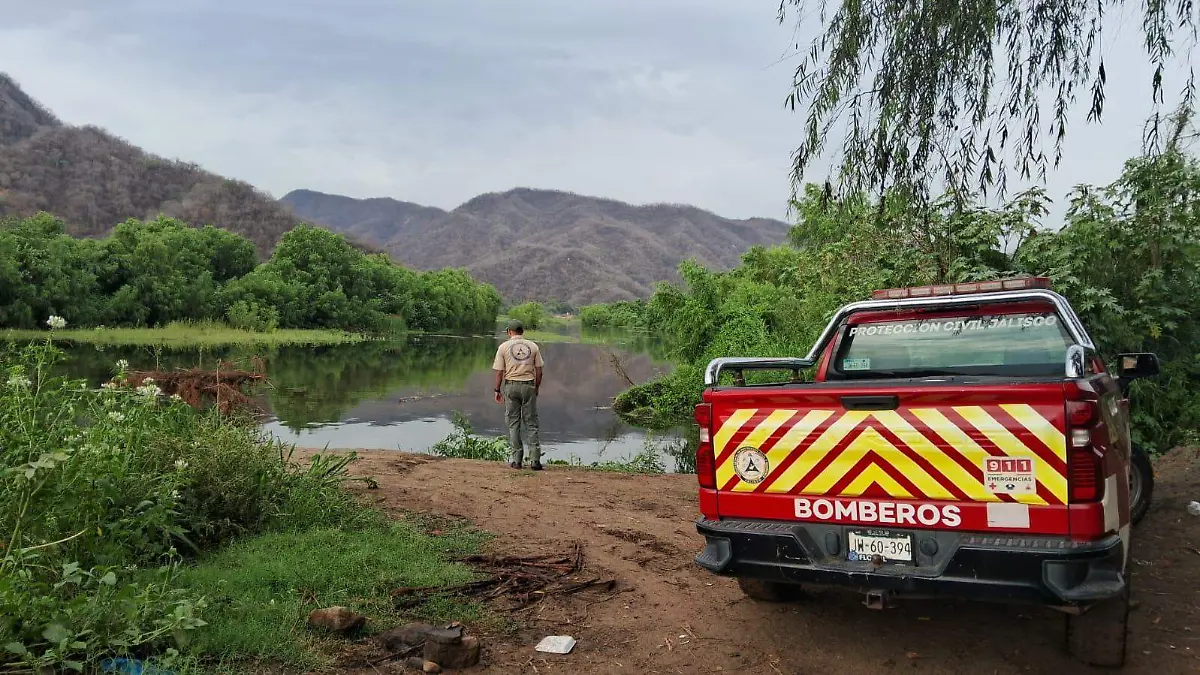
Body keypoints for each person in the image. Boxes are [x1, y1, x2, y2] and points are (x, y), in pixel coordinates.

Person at [492, 319, 544, 470]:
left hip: (511, 386)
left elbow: (499, 372)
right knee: (531, 423)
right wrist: (536, 388)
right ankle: (535, 460)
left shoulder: (503, 347)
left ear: (509, 332)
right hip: (528, 386)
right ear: (522, 331)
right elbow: (539, 371)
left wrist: (497, 390)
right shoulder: (533, 346)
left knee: (513, 423)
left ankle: (517, 461)